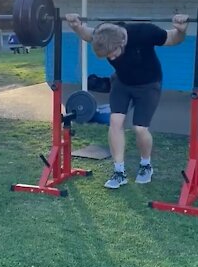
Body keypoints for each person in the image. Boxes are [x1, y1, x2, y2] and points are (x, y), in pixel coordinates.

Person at [64, 13, 189, 188]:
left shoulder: (144, 32)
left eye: (113, 54)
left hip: (148, 84)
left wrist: (181, 30)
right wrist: (76, 26)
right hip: (122, 83)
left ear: (122, 42)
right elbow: (87, 33)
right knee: (115, 122)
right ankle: (119, 172)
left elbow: (173, 39)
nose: (112, 58)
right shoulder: (104, 33)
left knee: (139, 128)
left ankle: (146, 165)